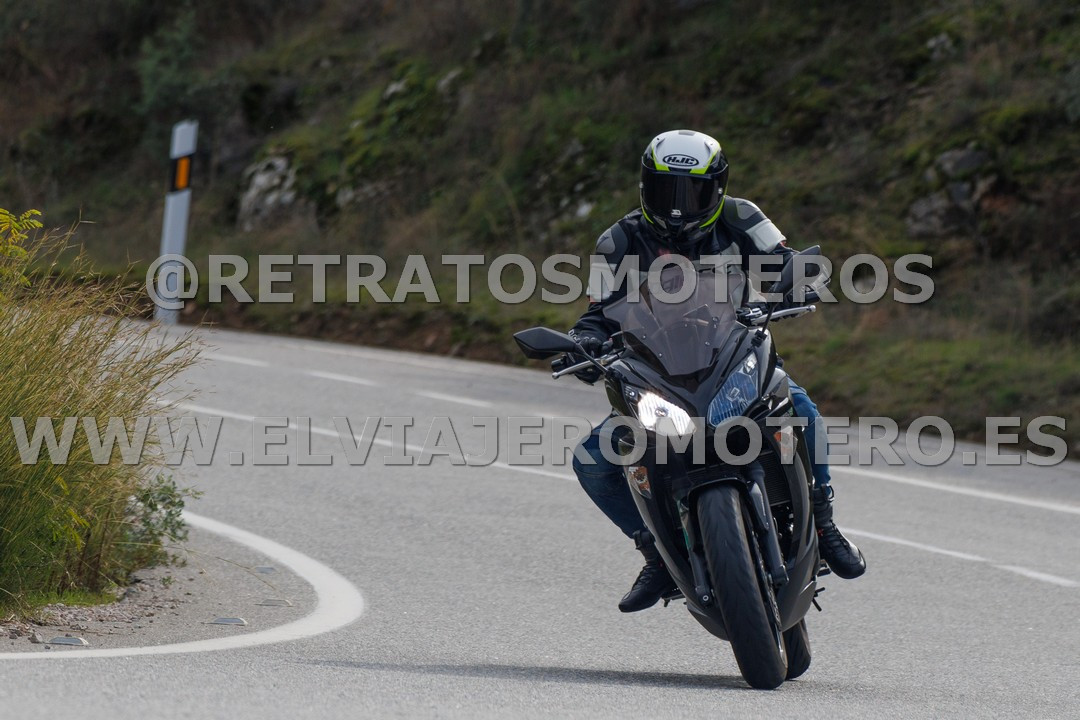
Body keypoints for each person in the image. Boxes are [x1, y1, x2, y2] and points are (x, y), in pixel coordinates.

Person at [568, 129, 866, 613]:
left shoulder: (742, 217)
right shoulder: (617, 241)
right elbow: (597, 313)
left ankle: (823, 522)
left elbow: (783, 262)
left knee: (800, 407)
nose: (678, 207)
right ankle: (657, 553)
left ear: (719, 188)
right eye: (666, 190)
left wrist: (795, 281)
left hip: (732, 356)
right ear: (645, 186)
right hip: (657, 375)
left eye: (693, 191)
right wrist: (582, 343)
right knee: (593, 461)